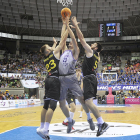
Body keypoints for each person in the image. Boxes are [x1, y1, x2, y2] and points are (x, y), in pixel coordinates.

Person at [71, 16, 109, 137]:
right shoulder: (97, 55)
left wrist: (76, 26)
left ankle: (101, 123)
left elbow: (81, 39)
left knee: (88, 102)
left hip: (89, 78)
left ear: (95, 47)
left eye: (93, 44)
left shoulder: (91, 52)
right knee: (83, 100)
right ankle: (94, 120)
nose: (91, 44)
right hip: (90, 78)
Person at [59, 18, 94, 134]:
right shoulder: (64, 51)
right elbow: (62, 39)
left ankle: (89, 118)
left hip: (71, 78)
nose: (69, 43)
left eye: (71, 44)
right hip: (62, 79)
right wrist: (64, 24)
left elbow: (73, 38)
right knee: (62, 103)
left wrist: (69, 27)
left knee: (81, 99)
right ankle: (69, 120)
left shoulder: (76, 52)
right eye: (68, 43)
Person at [36, 19, 69, 140]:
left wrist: (54, 44)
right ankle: (45, 130)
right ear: (49, 51)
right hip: (55, 80)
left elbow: (52, 50)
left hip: (48, 79)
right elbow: (63, 40)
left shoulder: (46, 57)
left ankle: (41, 127)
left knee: (45, 106)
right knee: (52, 106)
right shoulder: (54, 52)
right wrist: (66, 27)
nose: (52, 47)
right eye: (50, 47)